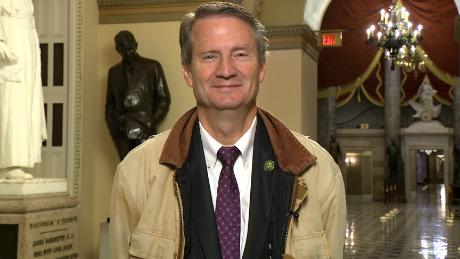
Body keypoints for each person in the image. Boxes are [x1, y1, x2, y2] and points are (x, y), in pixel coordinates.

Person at [110, 2, 346, 258]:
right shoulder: (135, 174)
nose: (226, 71)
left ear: (262, 66)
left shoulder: (319, 173)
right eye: (210, 56)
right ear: (188, 71)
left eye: (240, 54)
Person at [105, 30, 171, 160]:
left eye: (130, 49)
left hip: (144, 129)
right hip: (121, 130)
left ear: (136, 45)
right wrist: (113, 126)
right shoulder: (114, 72)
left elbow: (164, 99)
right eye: (124, 50)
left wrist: (151, 122)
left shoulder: (152, 67)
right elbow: (110, 105)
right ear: (117, 49)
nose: (128, 53)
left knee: (145, 171)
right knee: (125, 173)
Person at [0, 0, 47, 179]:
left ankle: (18, 159)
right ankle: (7, 162)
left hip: (26, 47)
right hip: (10, 44)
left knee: (25, 105)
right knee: (10, 103)